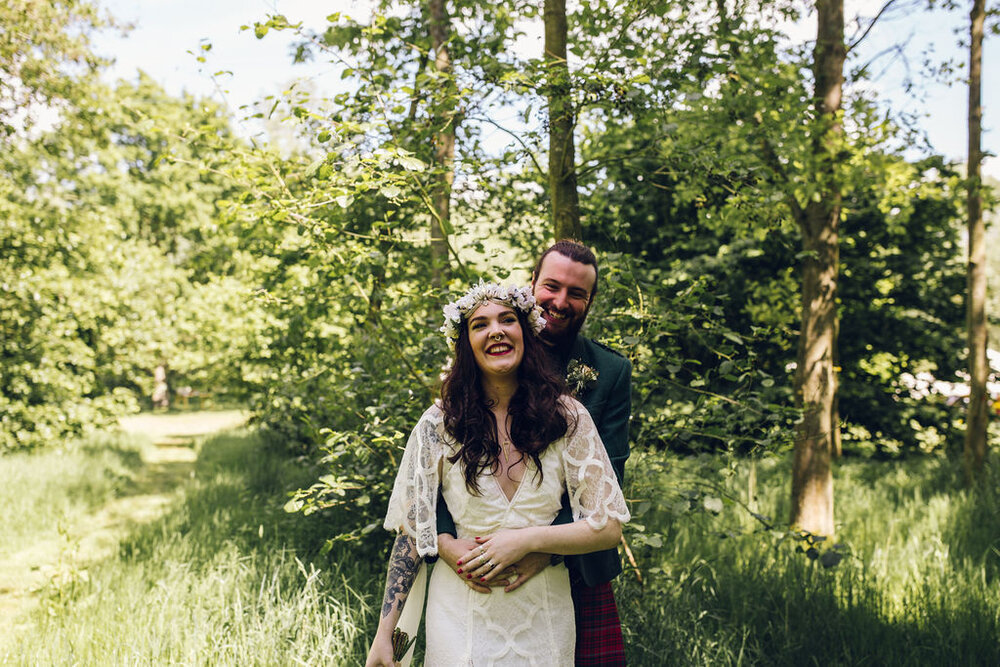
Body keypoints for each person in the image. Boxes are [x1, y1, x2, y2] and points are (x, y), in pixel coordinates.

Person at [365, 282, 630, 666]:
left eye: (508, 319)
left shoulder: (569, 418)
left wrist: (525, 541)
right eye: (480, 324)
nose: (496, 331)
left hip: (544, 619)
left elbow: (608, 527)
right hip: (458, 619)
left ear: (526, 333)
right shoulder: (438, 424)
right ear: (466, 344)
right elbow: (412, 532)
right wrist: (383, 635)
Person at [436, 241, 632, 665]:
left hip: (578, 560)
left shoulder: (611, 371)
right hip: (483, 559)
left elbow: (609, 477)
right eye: (552, 286)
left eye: (576, 293)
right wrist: (446, 541)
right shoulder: (489, 345)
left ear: (590, 302)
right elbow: (436, 470)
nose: (561, 302)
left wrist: (541, 549)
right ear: (533, 285)